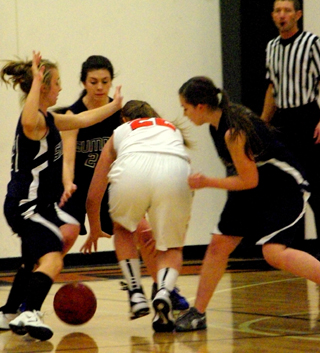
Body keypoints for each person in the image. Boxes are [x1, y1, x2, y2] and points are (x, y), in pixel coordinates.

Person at [174, 76, 320, 332]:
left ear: (199, 106)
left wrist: (207, 181)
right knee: (218, 245)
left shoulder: (233, 130)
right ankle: (198, 313)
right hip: (254, 186)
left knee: (273, 252)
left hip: (282, 186)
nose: (184, 114)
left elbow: (249, 179)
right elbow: (245, 178)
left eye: (185, 107)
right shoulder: (215, 126)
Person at [0, 51, 122, 340]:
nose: (61, 88)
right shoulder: (33, 122)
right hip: (26, 206)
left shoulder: (49, 119)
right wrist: (36, 83)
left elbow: (83, 119)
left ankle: (8, 312)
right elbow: (29, 120)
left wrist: (115, 105)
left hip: (39, 206)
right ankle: (30, 311)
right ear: (42, 87)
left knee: (32, 260)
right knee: (53, 258)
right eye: (56, 83)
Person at [59, 55, 189, 319]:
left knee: (146, 233)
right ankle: (31, 290)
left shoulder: (121, 116)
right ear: (83, 82)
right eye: (93, 81)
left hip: (116, 184)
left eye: (105, 81)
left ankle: (161, 288)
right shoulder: (74, 114)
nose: (99, 87)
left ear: (111, 83)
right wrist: (67, 183)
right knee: (66, 236)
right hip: (78, 185)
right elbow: (69, 156)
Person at [81, 100, 193, 332]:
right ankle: (163, 291)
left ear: (124, 118)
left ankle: (135, 294)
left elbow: (94, 195)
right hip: (176, 173)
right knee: (171, 248)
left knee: (123, 228)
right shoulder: (170, 128)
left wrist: (94, 227)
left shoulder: (121, 131)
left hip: (133, 169)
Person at [260, 0, 320, 255]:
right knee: (289, 188)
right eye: (277, 11)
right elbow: (272, 87)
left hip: (307, 118)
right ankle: (292, 251)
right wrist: (262, 123)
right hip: (283, 122)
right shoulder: (271, 46)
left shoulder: (311, 43)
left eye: (287, 10)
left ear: (298, 14)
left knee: (316, 186)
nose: (281, 15)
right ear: (273, 15)